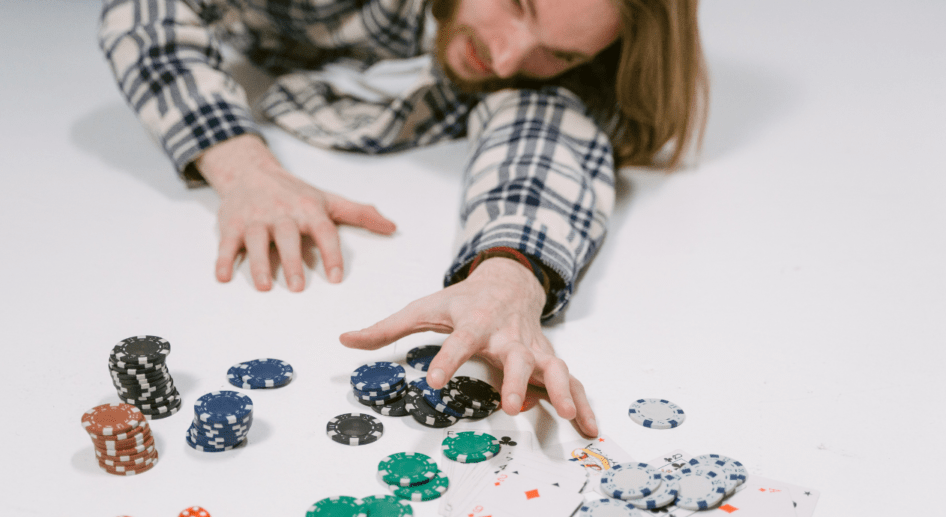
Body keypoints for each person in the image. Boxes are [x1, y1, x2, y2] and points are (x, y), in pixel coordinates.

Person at [98, 0, 708, 437]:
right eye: (518, 5)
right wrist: (240, 167)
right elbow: (140, 10)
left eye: (560, 52)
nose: (507, 57)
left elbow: (544, 135)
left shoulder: (544, 71)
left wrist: (509, 278)